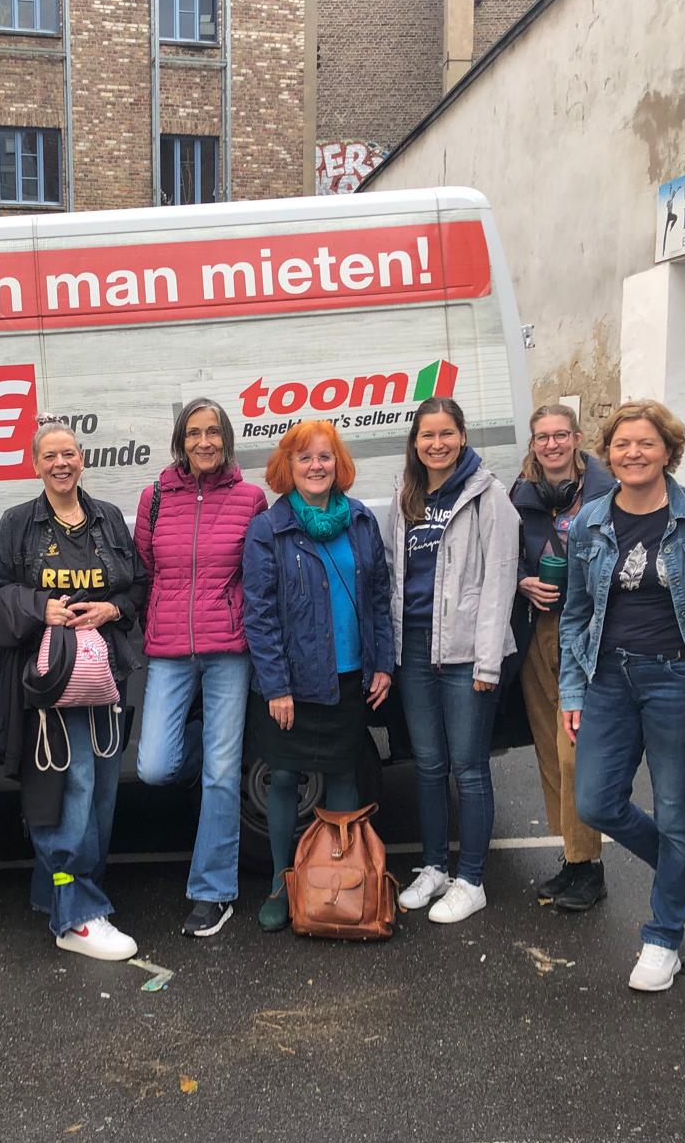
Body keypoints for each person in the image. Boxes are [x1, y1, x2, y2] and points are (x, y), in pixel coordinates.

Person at [558, 400, 685, 993]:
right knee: (595, 801)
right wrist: (572, 688)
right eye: (622, 444)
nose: (633, 453)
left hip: (680, 677)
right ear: (608, 452)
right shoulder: (590, 521)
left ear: (669, 451)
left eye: (646, 443)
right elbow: (576, 612)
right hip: (607, 676)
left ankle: (663, 938)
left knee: (677, 806)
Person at [0, 417, 148, 961]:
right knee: (70, 788)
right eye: (50, 456)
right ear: (35, 465)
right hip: (50, 682)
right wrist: (42, 608)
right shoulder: (18, 523)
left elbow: (137, 587)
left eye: (69, 453)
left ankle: (57, 894)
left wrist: (111, 609)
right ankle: (76, 917)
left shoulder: (108, 519)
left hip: (104, 676)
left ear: (82, 459)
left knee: (101, 790)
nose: (61, 463)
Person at [242, 419, 393, 933]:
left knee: (344, 774)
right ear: (288, 466)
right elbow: (259, 614)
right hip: (292, 682)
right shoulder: (270, 528)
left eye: (325, 456)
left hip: (350, 675)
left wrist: (382, 663)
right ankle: (280, 884)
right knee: (284, 776)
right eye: (304, 457)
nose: (315, 466)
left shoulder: (361, 520)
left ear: (338, 464)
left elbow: (379, 597)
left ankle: (338, 881)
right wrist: (277, 686)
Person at [134, 399, 267, 938]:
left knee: (220, 773)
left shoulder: (250, 498)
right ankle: (206, 739)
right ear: (180, 441)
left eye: (213, 432)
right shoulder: (155, 498)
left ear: (227, 439)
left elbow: (257, 574)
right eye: (194, 433)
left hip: (228, 648)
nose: (204, 442)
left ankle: (213, 893)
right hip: (169, 647)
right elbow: (145, 568)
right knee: (155, 765)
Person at [383, 397, 518, 924]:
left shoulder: (487, 495)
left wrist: (488, 662)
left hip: (467, 652)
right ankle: (436, 867)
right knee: (428, 765)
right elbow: (394, 573)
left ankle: (472, 879)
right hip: (416, 648)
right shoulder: (406, 494)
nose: (436, 444)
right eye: (427, 435)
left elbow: (500, 580)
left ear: (462, 436)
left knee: (468, 767)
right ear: (415, 443)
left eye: (446, 433)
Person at [509, 404, 615, 911]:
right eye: (542, 437)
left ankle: (590, 864)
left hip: (588, 630)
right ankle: (573, 858)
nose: (551, 444)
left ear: (576, 437)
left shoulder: (606, 491)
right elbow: (503, 555)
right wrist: (522, 582)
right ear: (533, 444)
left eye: (560, 435)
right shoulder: (519, 494)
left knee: (576, 750)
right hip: (537, 630)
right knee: (550, 753)